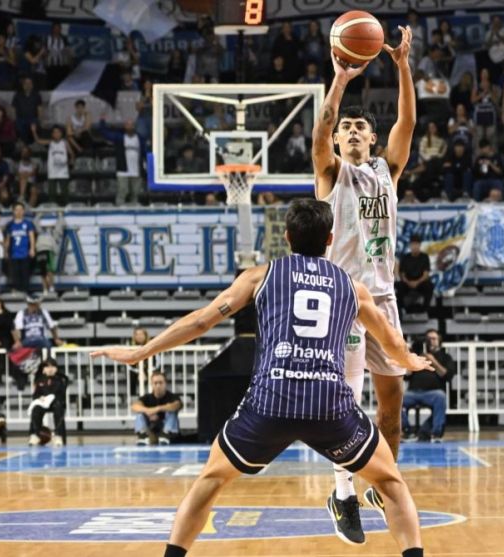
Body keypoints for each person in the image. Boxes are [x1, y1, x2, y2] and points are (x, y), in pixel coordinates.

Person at [93, 199, 428, 557]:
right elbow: (392, 344)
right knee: (392, 483)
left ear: (287, 237)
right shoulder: (353, 288)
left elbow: (201, 321)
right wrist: (410, 360)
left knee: (211, 480)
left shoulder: (260, 276)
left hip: (270, 403)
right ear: (330, 239)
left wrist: (141, 352)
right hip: (329, 406)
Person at [311, 27, 416, 545]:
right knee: (347, 403)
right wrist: (339, 81)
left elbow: (407, 123)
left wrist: (402, 66)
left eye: (360, 127)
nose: (351, 130)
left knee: (391, 405)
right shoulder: (330, 174)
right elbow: (320, 131)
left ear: (372, 139)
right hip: (343, 300)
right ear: (338, 139)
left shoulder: (386, 172)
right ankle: (343, 493)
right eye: (346, 127)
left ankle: (380, 480)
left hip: (384, 297)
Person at [401, 330, 455, 443]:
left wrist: (433, 361)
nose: (431, 341)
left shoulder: (445, 356)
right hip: (413, 392)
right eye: (428, 339)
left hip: (433, 393)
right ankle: (407, 431)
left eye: (434, 339)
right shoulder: (417, 355)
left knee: (441, 397)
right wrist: (411, 360)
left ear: (439, 341)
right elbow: (406, 376)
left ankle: (436, 434)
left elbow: (447, 375)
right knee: (398, 399)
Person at [99, 118, 143, 205]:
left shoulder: (140, 138)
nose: (130, 126)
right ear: (125, 126)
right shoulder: (120, 137)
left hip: (136, 170)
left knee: (135, 192)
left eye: (131, 125)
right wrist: (102, 122)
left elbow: (145, 151)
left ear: (134, 126)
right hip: (123, 170)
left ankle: (134, 209)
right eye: (127, 125)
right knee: (123, 191)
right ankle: (120, 208)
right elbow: (106, 134)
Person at [132, 372, 182, 446]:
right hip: (151, 429)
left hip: (167, 428)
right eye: (155, 383)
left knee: (171, 412)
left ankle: (166, 434)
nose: (158, 385)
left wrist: (157, 409)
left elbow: (177, 405)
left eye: (160, 383)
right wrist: (148, 411)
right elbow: (134, 406)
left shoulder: (172, 397)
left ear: (165, 383)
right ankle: (143, 436)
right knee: (140, 414)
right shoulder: (146, 397)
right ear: (151, 384)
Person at [28, 358, 68, 447]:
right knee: (36, 409)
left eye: (52, 366)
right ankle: (35, 435)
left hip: (56, 402)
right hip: (43, 403)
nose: (50, 369)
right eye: (47, 367)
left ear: (56, 368)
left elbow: (61, 394)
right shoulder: (39, 380)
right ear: (43, 369)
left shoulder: (61, 379)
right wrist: (40, 397)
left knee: (58, 407)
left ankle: (58, 436)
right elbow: (35, 394)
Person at [31, 125, 73, 206]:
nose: (56, 134)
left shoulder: (65, 143)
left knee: (65, 193)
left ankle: (66, 208)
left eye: (58, 132)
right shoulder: (50, 142)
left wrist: (71, 161)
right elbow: (38, 141)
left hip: (63, 171)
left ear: (61, 133)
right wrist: (34, 131)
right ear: (52, 134)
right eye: (54, 132)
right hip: (52, 171)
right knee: (52, 193)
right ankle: (53, 209)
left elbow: (71, 154)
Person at [396, 236, 433, 314]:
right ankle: (402, 309)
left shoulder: (424, 257)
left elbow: (426, 274)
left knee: (429, 286)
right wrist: (408, 282)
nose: (415, 246)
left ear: (419, 245)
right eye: (413, 244)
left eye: (416, 244)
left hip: (420, 283)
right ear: (410, 245)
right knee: (398, 286)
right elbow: (402, 274)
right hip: (407, 283)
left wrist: (417, 282)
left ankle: (424, 309)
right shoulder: (405, 258)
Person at [4, 202, 35, 293]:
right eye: (17, 210)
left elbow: (31, 236)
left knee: (26, 273)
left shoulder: (28, 223)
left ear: (24, 211)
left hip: (25, 253)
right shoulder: (10, 225)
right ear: (13, 211)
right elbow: (8, 240)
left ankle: (25, 291)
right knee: (15, 274)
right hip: (14, 253)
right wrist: (6, 251)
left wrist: (32, 248)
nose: (19, 212)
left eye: (21, 210)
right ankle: (16, 291)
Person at [12, 76, 42, 144]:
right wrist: (14, 119)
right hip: (20, 118)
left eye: (29, 83)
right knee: (20, 130)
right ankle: (24, 145)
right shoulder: (17, 95)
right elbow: (13, 108)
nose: (28, 85)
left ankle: (31, 145)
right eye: (26, 83)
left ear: (32, 85)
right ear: (23, 85)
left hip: (33, 118)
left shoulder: (37, 95)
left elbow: (39, 108)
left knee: (34, 130)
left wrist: (39, 119)